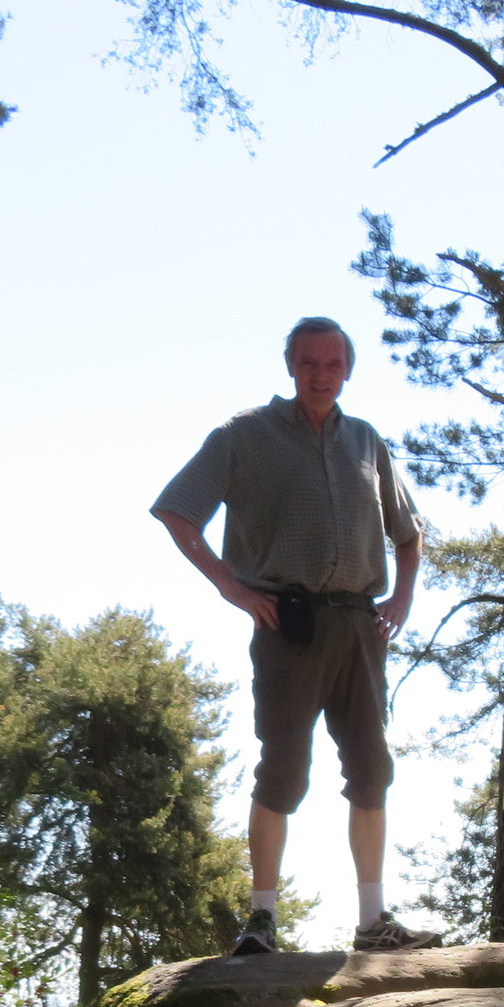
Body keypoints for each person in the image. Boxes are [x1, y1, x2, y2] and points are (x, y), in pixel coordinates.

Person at [152, 316, 443, 955]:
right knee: (284, 769)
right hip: (287, 624)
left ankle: (373, 922)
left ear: (348, 370)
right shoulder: (243, 435)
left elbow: (409, 532)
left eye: (333, 364)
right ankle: (261, 920)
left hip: (360, 625)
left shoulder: (365, 441)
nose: (320, 375)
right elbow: (176, 510)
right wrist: (231, 587)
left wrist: (401, 597)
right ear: (290, 366)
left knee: (371, 769)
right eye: (309, 363)